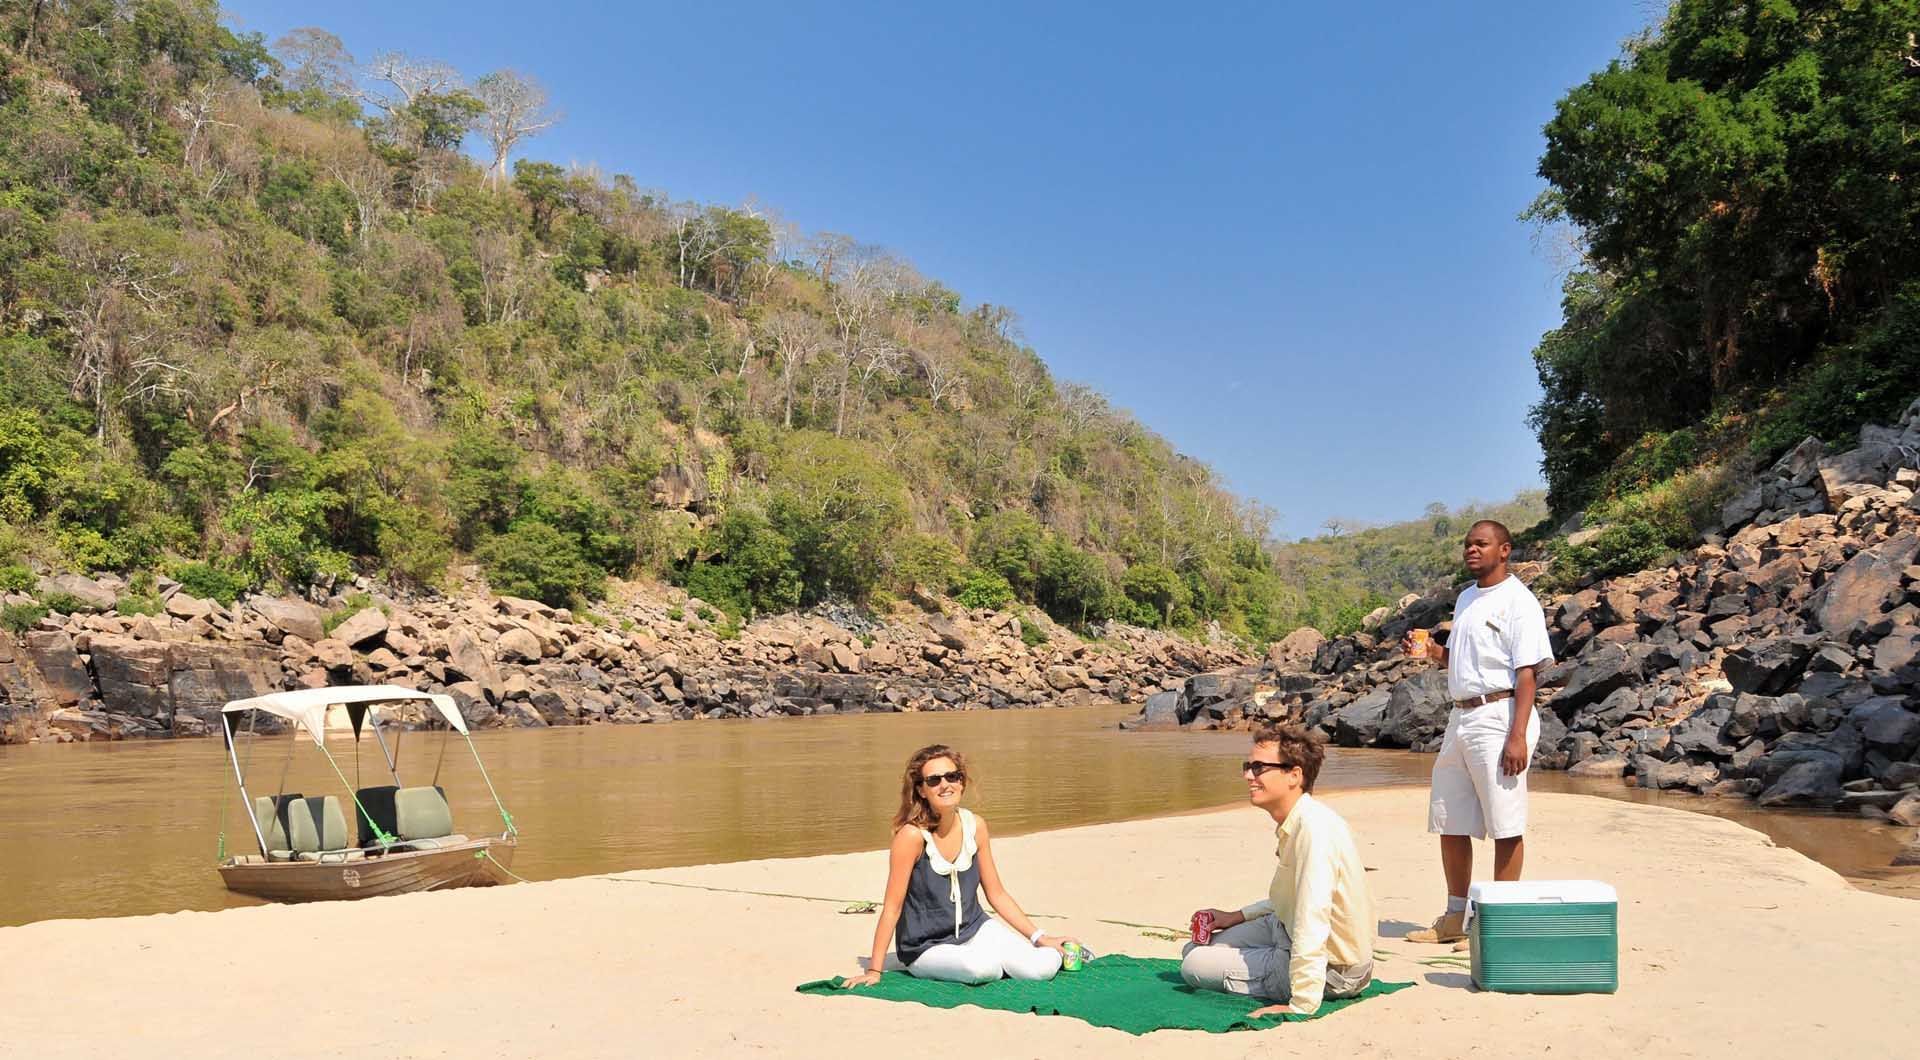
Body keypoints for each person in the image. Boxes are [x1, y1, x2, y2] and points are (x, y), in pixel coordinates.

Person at [1400, 519, 1553, 950]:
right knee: (1450, 819)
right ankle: (1455, 916)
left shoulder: (1519, 601)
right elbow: (1465, 661)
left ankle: (1494, 922)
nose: (1472, 550)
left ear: (1504, 550)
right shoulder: (1467, 598)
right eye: (1468, 544)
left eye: (1481, 544)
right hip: (1461, 716)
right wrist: (1434, 653)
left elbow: (1526, 675)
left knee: (1505, 823)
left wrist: (1517, 735)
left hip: (1501, 714)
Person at [840, 744, 1076, 987]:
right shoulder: (911, 837)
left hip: (976, 929)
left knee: (1040, 970)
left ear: (962, 782)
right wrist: (874, 970)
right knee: (981, 969)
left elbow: (996, 894)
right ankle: (996, 960)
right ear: (921, 790)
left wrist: (1039, 938)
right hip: (925, 947)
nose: (945, 785)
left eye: (952, 776)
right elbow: (892, 907)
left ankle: (1044, 953)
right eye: (933, 780)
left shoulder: (976, 826)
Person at [1181, 723, 1376, 1018]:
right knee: (1194, 947)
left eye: (1258, 768)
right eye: (1248, 766)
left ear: (1294, 775)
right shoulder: (1298, 820)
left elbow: (1314, 916)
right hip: (1284, 926)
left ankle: (1280, 974)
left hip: (1334, 967)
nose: (1248, 775)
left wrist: (1302, 1003)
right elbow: (1293, 896)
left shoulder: (1314, 829)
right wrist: (1235, 916)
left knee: (1193, 965)